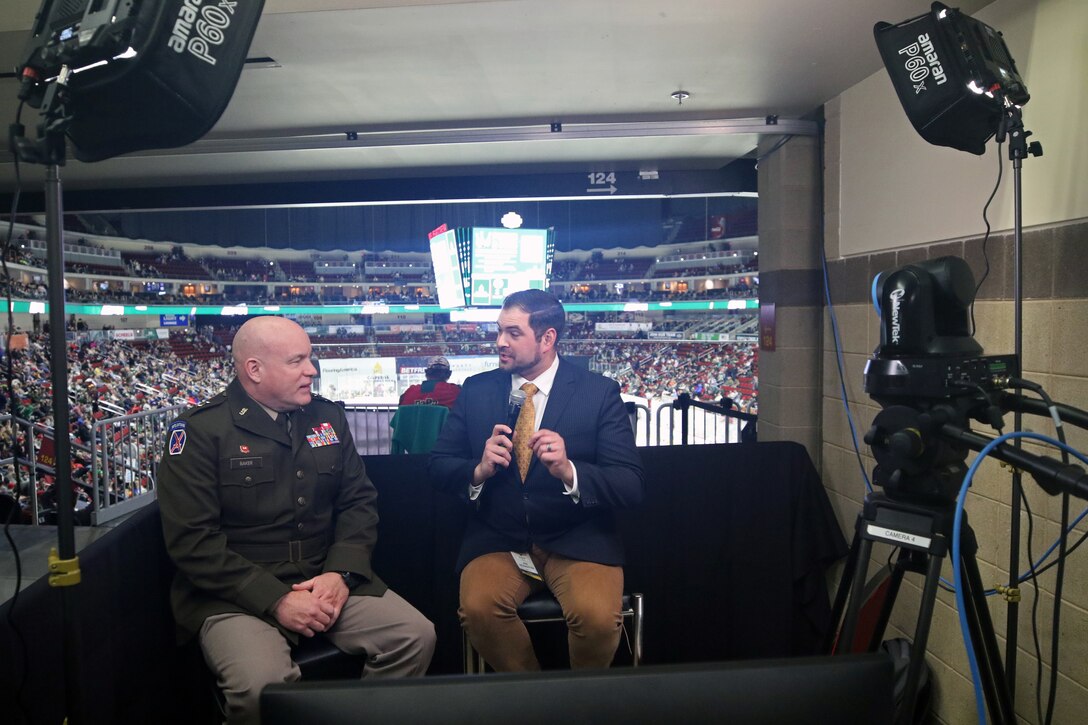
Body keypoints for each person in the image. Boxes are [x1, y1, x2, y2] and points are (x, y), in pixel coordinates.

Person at [158, 316, 434, 724]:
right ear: (255, 370)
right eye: (297, 361)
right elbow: (192, 542)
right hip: (235, 594)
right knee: (261, 689)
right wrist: (276, 599)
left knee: (415, 635)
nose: (312, 370)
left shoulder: (327, 418)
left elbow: (359, 501)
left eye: (310, 358)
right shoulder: (200, 432)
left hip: (324, 577)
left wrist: (340, 574)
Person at [429, 289, 644, 671]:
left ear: (547, 339)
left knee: (596, 618)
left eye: (513, 333)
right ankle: (535, 699)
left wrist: (570, 471)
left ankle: (578, 706)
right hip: (500, 539)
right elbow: (439, 466)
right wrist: (478, 471)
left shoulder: (599, 393)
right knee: (479, 609)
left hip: (578, 540)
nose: (500, 342)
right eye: (499, 331)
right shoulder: (476, 391)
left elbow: (629, 484)